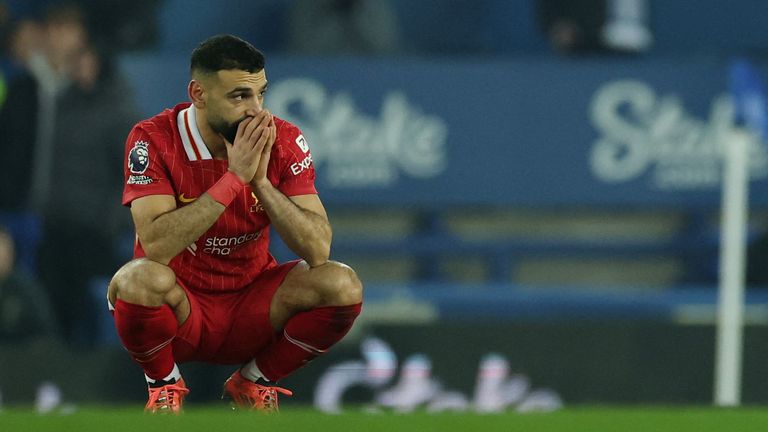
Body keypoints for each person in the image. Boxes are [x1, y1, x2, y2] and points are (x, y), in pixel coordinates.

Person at [107, 34, 363, 414]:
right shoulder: (152, 139)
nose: (255, 110)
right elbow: (156, 245)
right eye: (240, 96)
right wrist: (234, 179)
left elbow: (317, 248)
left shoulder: (284, 139)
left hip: (252, 306)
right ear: (198, 93)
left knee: (342, 284)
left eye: (261, 94)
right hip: (182, 308)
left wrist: (260, 182)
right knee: (136, 280)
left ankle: (256, 381)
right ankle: (163, 386)